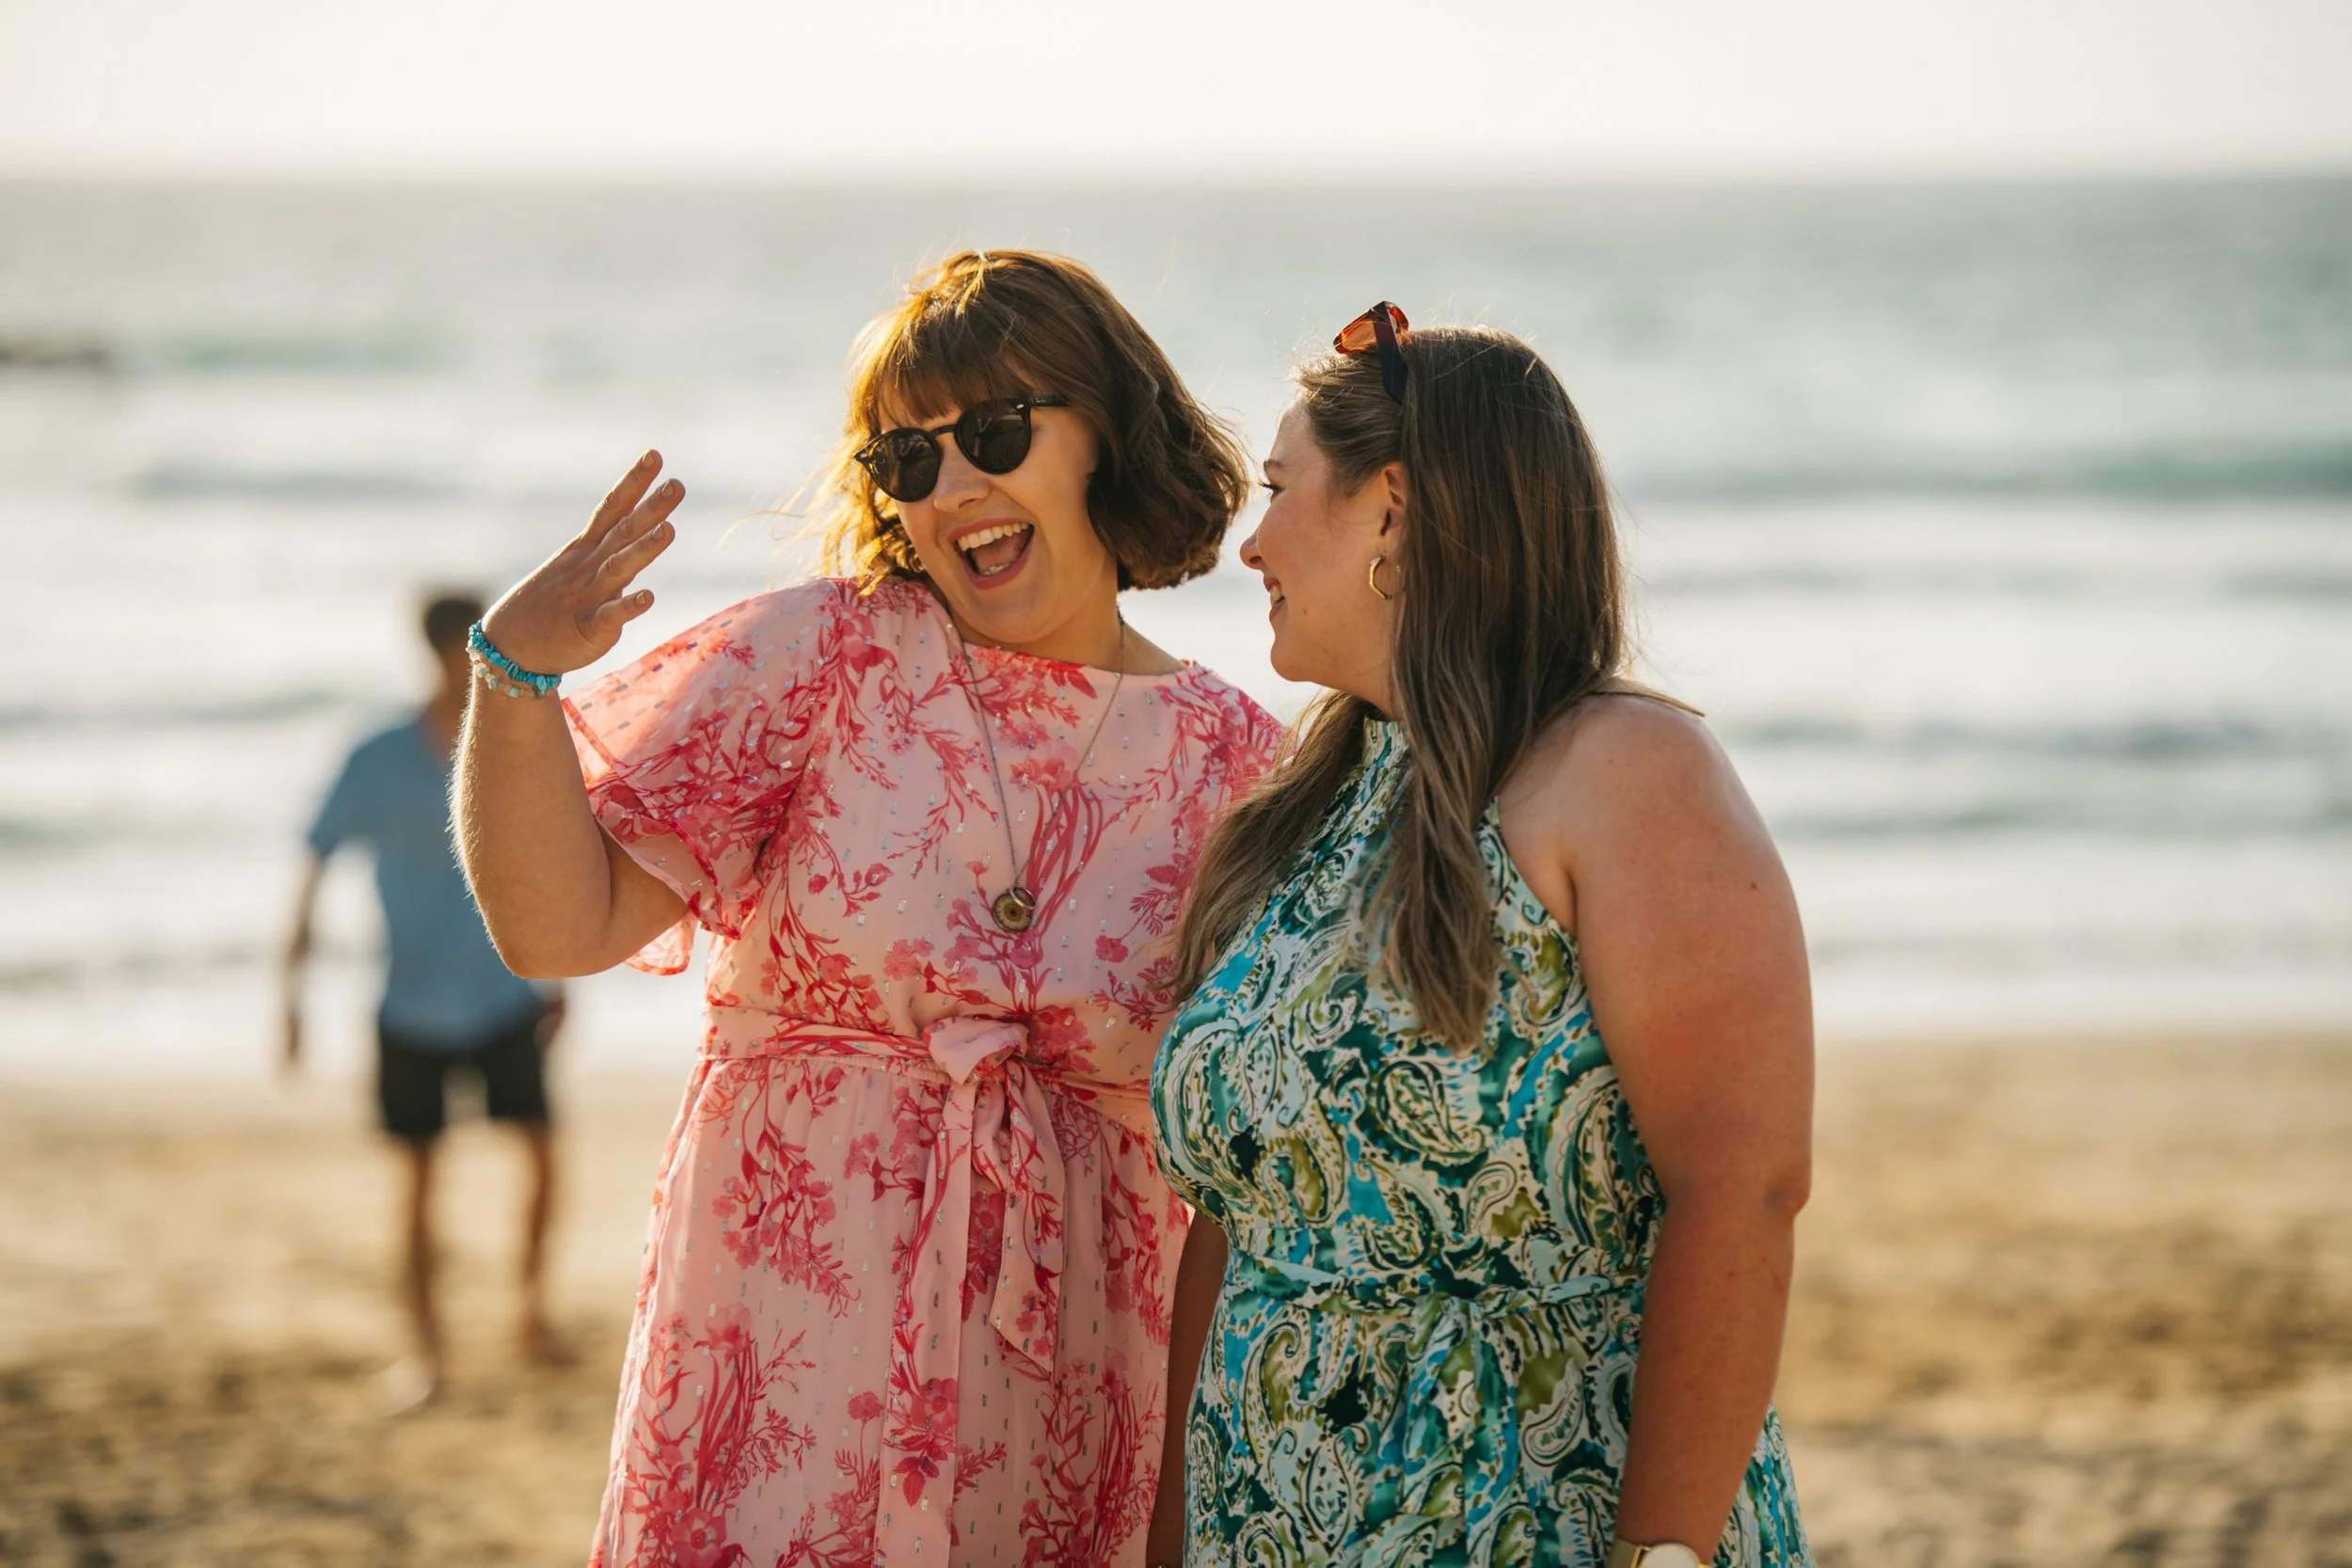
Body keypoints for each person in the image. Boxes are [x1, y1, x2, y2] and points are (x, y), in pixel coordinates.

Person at [453, 251, 1282, 1567]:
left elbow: (1244, 1192)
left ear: (1105, 434)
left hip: (1073, 1398)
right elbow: (555, 929)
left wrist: (1188, 1498)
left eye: (996, 433)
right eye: (908, 460)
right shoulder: (818, 658)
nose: (954, 488)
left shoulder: (1245, 770)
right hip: (779, 1366)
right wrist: (512, 678)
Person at [1146, 307, 1814, 1567]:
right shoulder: (1308, 811)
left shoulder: (1622, 769)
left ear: (1390, 508)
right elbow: (1231, 1219)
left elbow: (1744, 1184)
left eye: (1281, 489)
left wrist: (1661, 1551)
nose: (1251, 544)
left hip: (1539, 1518)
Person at [283, 590, 570, 1414]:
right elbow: (313, 862)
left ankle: (531, 1313)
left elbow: (549, 862)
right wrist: (290, 995)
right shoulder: (374, 757)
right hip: (409, 1002)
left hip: (505, 989)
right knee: (417, 1180)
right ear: (442, 652)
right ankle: (425, 1351)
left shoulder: (513, 746)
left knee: (544, 1153)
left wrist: (561, 978)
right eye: (470, 651)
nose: (478, 667)